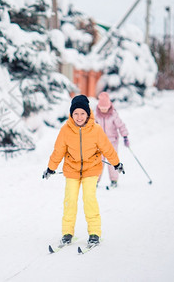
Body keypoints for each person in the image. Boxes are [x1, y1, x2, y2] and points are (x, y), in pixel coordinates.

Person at [42, 95, 124, 246]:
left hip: (91, 170)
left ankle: (94, 233)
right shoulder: (66, 130)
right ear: (71, 114)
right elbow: (58, 151)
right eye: (76, 114)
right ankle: (67, 233)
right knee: (70, 200)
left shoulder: (96, 130)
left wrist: (116, 163)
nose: (79, 117)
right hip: (72, 170)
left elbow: (107, 148)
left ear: (88, 114)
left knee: (89, 199)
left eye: (82, 113)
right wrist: (50, 168)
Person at [95, 92, 129, 188]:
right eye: (102, 108)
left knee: (112, 162)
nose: (104, 110)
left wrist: (125, 136)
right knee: (98, 162)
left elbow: (121, 125)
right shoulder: (96, 115)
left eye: (105, 108)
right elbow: (91, 127)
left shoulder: (113, 115)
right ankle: (95, 180)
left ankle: (114, 180)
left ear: (109, 106)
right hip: (99, 143)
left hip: (112, 142)